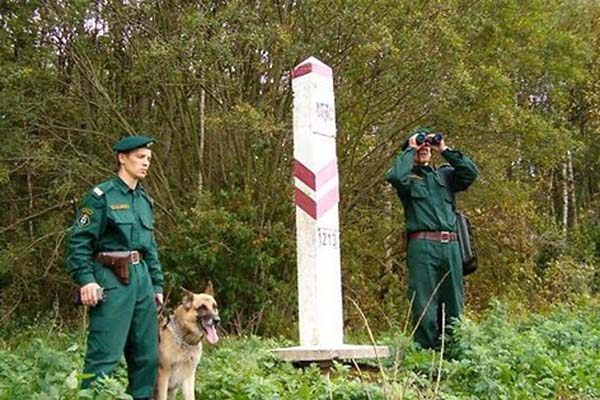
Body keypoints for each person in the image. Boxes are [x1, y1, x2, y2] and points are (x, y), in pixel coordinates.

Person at [66, 136, 164, 399]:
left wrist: (157, 285)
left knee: (147, 357)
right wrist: (86, 279)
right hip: (111, 279)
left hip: (142, 279)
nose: (146, 164)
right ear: (122, 158)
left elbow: (149, 246)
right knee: (104, 355)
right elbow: (79, 241)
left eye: (148, 159)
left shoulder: (145, 201)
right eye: (140, 157)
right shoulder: (100, 197)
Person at [385, 128, 478, 349]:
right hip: (422, 245)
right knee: (424, 300)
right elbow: (395, 176)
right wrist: (410, 149)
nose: (424, 149)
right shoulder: (408, 178)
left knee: (453, 300)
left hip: (451, 245)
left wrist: (444, 149)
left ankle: (454, 348)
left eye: (427, 146)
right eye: (420, 147)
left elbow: (470, 173)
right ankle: (426, 352)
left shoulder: (445, 175)